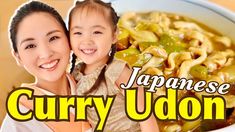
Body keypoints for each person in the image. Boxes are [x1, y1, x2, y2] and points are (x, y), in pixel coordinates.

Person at [68, 0, 159, 131]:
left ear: (114, 35)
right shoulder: (76, 73)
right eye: (78, 33)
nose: (86, 41)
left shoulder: (118, 72)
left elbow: (146, 118)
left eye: (97, 32)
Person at [1, 1, 90, 132]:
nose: (46, 54)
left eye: (53, 38)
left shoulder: (95, 84)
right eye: (30, 46)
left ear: (69, 40)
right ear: (18, 57)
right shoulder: (18, 122)